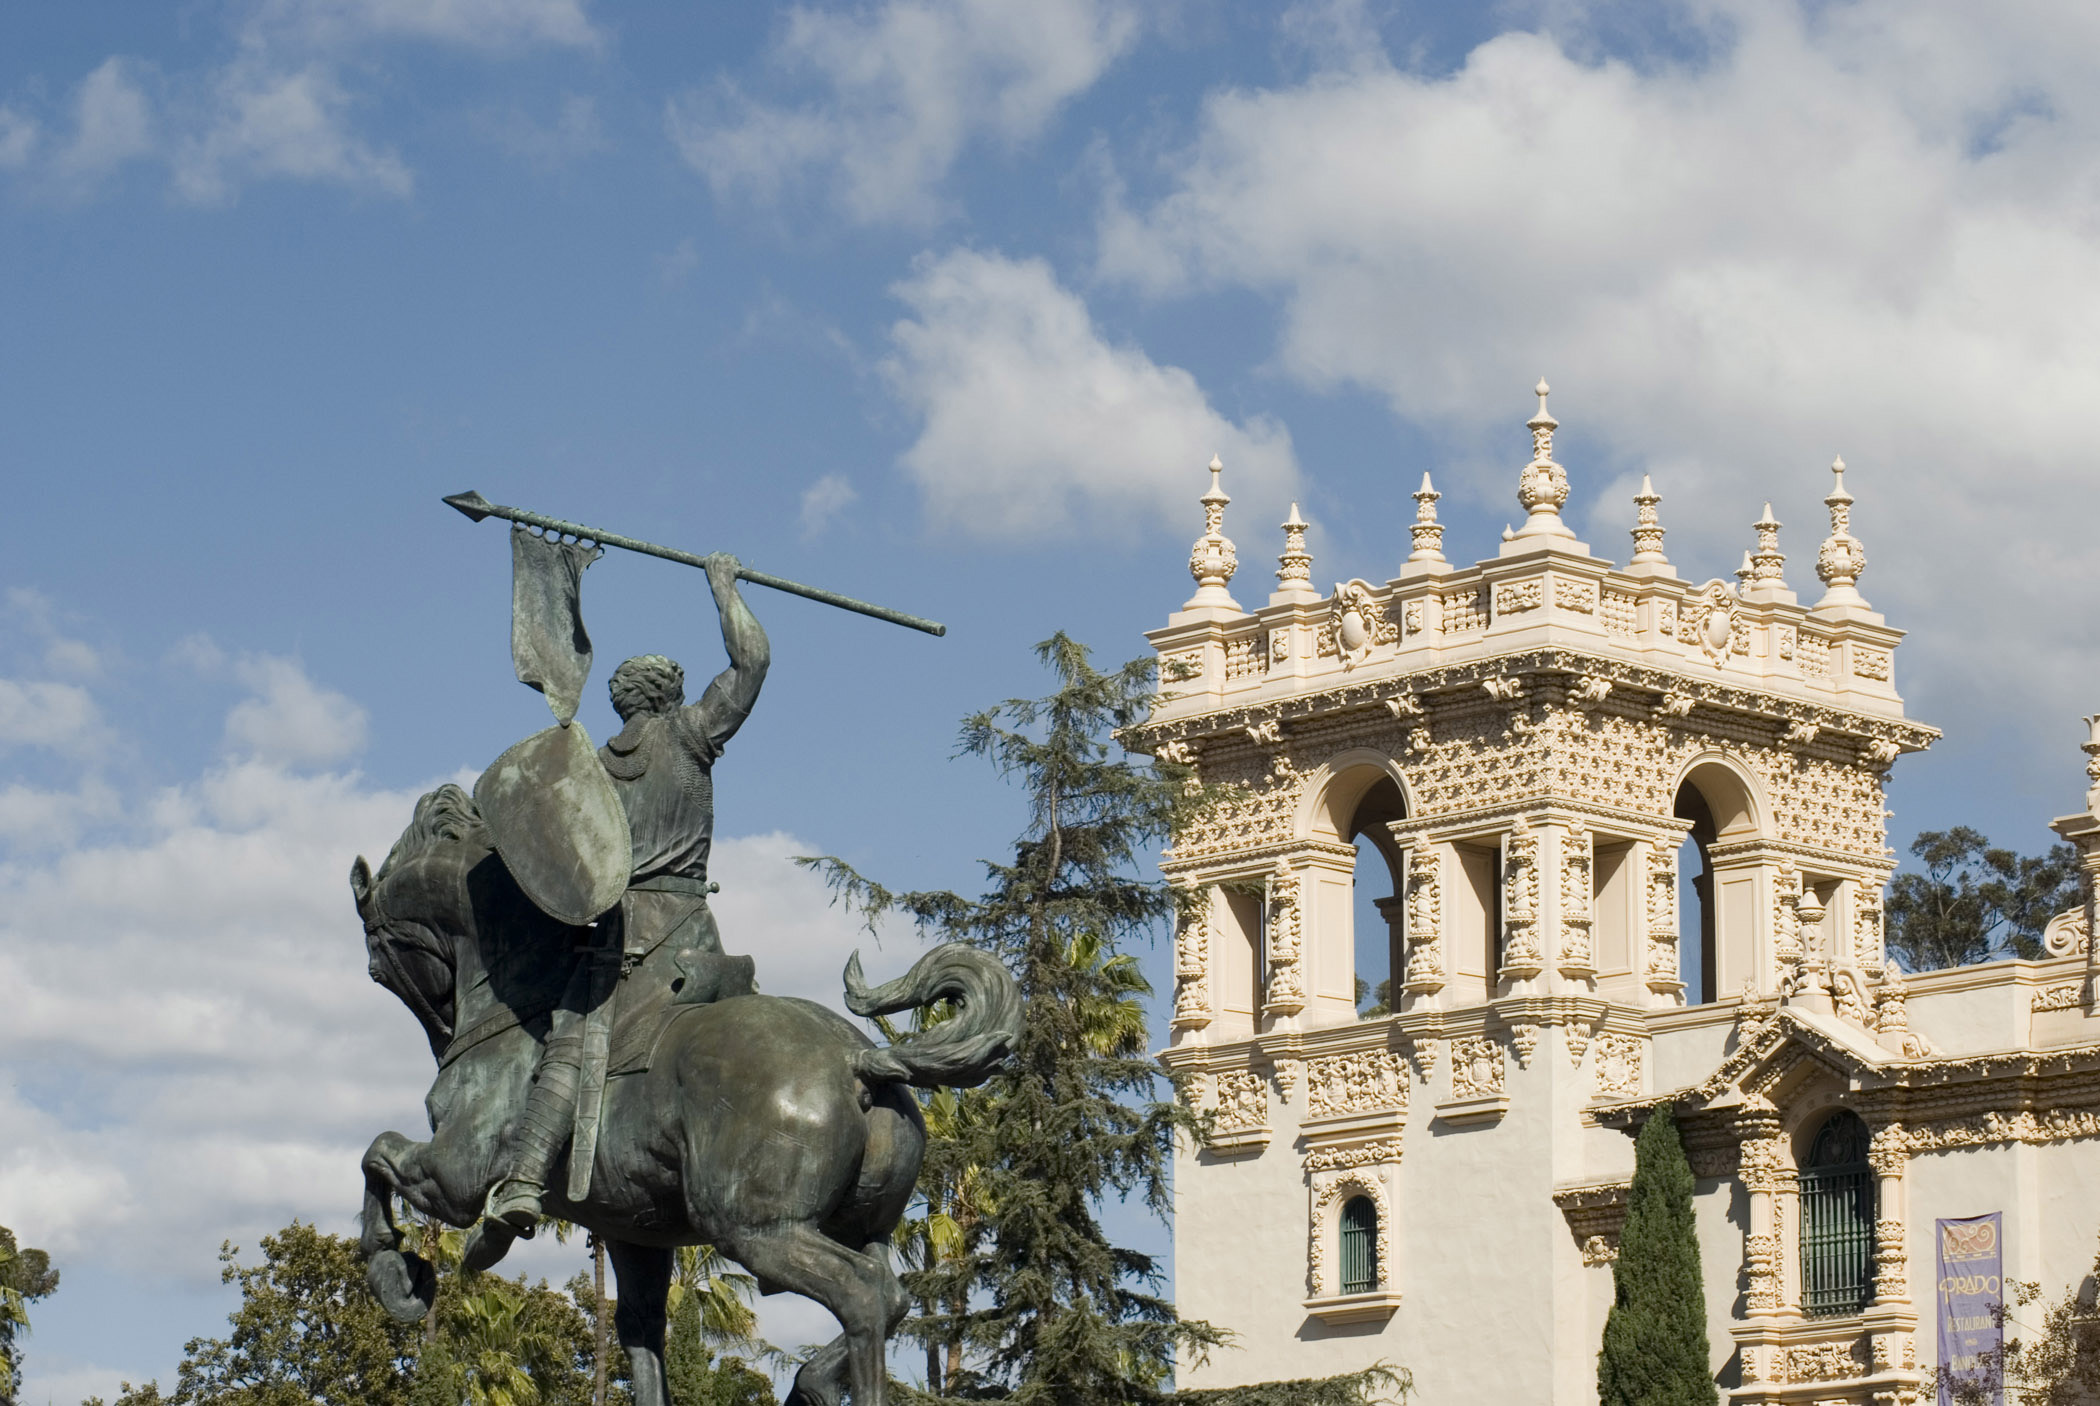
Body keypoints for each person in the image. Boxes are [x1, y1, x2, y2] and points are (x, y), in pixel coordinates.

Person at [485, 552, 768, 1233]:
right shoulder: (692, 734)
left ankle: (524, 1180)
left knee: (570, 1043)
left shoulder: (593, 771)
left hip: (624, 938)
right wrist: (723, 590)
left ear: (624, 701)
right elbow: (752, 665)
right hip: (693, 935)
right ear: (670, 695)